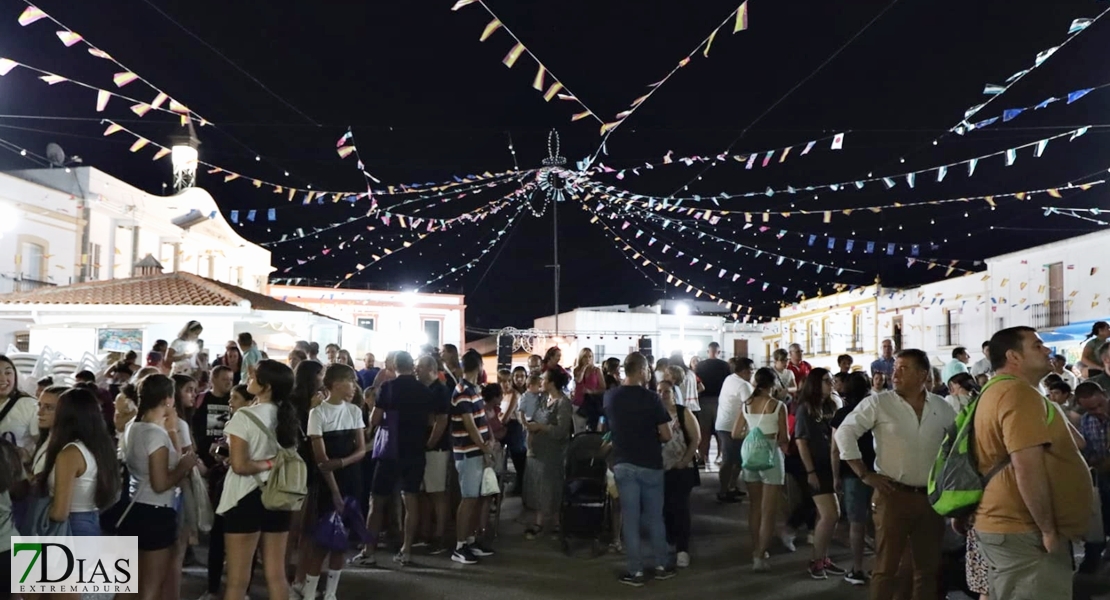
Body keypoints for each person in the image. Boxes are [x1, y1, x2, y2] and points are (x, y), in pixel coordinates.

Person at [972, 327, 1091, 599]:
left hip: (1008, 524)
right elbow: (1027, 467)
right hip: (1023, 528)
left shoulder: (1004, 390)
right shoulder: (1018, 394)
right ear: (1014, 356)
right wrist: (1048, 529)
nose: (1048, 350)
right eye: (1037, 346)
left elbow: (1076, 442)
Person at [836, 348, 955, 600]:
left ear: (923, 374)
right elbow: (844, 433)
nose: (895, 374)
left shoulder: (942, 407)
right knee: (886, 567)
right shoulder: (879, 402)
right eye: (895, 368)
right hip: (892, 495)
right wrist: (864, 473)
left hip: (931, 498)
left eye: (903, 368)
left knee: (926, 569)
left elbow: (957, 445)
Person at [217, 359, 299, 600]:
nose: (248, 379)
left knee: (237, 581)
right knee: (276, 574)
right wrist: (275, 464)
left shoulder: (243, 417)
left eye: (254, 376)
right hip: (279, 495)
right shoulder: (287, 417)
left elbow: (240, 466)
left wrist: (268, 463)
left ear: (268, 386)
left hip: (245, 497)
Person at [117, 373, 198, 600]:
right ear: (168, 399)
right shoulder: (154, 434)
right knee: (151, 586)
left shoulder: (133, 426)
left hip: (134, 509)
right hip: (156, 512)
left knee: (128, 585)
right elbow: (160, 482)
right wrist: (183, 466)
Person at [603, 352, 676, 586]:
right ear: (643, 370)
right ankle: (661, 565)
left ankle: (635, 572)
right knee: (655, 517)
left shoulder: (611, 397)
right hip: (650, 463)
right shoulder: (652, 399)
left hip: (623, 462)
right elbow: (667, 434)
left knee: (630, 520)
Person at [303, 363, 366, 598]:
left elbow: (362, 450)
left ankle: (331, 593)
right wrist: (335, 492)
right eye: (351, 381)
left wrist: (340, 463)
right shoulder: (317, 413)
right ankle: (309, 592)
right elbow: (321, 460)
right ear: (337, 383)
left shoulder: (354, 411)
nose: (354, 387)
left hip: (351, 478)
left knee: (342, 540)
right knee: (322, 540)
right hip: (328, 483)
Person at [39, 387, 120, 542]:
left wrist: (37, 510)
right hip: (90, 522)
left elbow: (60, 512)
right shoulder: (99, 448)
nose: (41, 412)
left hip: (71, 527)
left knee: (38, 566)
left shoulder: (70, 453)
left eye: (54, 409)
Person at [734, 367, 788, 572]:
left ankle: (756, 548)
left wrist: (752, 435)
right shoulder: (777, 406)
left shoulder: (746, 405)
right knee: (768, 511)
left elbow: (735, 432)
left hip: (749, 458)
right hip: (772, 458)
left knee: (754, 506)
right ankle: (759, 557)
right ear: (773, 384)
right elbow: (784, 438)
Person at [793, 368, 843, 579]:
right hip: (814, 466)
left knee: (829, 515)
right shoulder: (805, 409)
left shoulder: (830, 405)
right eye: (826, 381)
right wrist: (810, 471)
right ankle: (816, 561)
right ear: (815, 383)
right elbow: (801, 441)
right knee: (831, 514)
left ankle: (822, 557)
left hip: (829, 464)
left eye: (831, 380)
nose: (831, 384)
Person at [449, 350, 495, 565]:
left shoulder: (472, 390)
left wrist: (489, 441)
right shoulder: (463, 391)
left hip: (475, 451)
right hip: (468, 453)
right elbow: (469, 425)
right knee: (468, 499)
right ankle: (459, 546)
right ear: (479, 367)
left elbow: (481, 420)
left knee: (474, 498)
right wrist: (484, 448)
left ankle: (469, 540)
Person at [830, 372, 876, 585]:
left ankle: (857, 568)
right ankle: (883, 567)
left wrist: (835, 476)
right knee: (880, 522)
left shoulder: (842, 414)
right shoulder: (876, 410)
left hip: (852, 473)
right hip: (879, 471)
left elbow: (835, 449)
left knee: (856, 523)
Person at [523, 368, 573, 539]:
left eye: (544, 379)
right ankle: (539, 521)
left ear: (552, 383)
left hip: (552, 453)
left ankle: (555, 522)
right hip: (537, 450)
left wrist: (540, 427)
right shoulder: (544, 399)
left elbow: (561, 431)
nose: (541, 382)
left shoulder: (563, 403)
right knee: (538, 487)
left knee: (551, 487)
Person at [658, 380, 699, 569]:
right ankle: (669, 540)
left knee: (680, 506)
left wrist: (685, 460)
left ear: (674, 394)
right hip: (661, 467)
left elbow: (696, 437)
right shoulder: (654, 414)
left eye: (666, 391)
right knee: (665, 506)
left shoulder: (683, 412)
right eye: (659, 391)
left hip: (682, 466)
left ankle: (682, 549)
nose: (663, 394)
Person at [414, 355, 450, 554]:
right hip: (425, 447)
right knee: (425, 493)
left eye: (419, 367)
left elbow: (441, 420)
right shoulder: (427, 390)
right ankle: (426, 533)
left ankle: (439, 535)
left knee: (437, 493)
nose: (416, 370)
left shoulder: (440, 390)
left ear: (430, 369)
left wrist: (429, 444)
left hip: (435, 449)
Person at [716, 358, 753, 504]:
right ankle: (724, 490)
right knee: (730, 460)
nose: (752, 373)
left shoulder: (730, 379)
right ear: (744, 371)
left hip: (724, 424)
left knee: (736, 459)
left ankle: (731, 487)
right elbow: (751, 405)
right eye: (751, 370)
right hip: (733, 427)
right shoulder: (743, 385)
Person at [695, 342, 731, 467]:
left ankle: (703, 457)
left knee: (704, 431)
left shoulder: (700, 365)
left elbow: (697, 382)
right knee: (720, 431)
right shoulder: (725, 365)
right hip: (720, 401)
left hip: (703, 401)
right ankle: (720, 456)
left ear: (708, 351)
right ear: (719, 352)